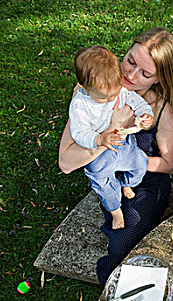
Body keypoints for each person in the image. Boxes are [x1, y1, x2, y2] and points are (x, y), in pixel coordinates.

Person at [59, 28, 173, 287]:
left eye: (145, 73)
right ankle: (113, 291)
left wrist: (133, 162)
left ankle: (125, 289)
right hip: (107, 174)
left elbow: (169, 164)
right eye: (130, 61)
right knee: (121, 239)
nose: (129, 75)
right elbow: (66, 163)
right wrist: (112, 132)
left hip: (147, 178)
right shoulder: (91, 93)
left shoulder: (160, 107)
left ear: (159, 79)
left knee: (125, 242)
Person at [70, 45, 154, 230]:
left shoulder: (118, 90)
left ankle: (126, 183)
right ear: (85, 88)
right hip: (99, 156)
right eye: (103, 98)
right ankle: (115, 211)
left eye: (114, 95)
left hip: (124, 145)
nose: (110, 100)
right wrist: (99, 139)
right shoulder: (80, 105)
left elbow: (136, 101)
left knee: (140, 163)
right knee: (104, 185)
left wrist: (145, 115)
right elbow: (79, 133)